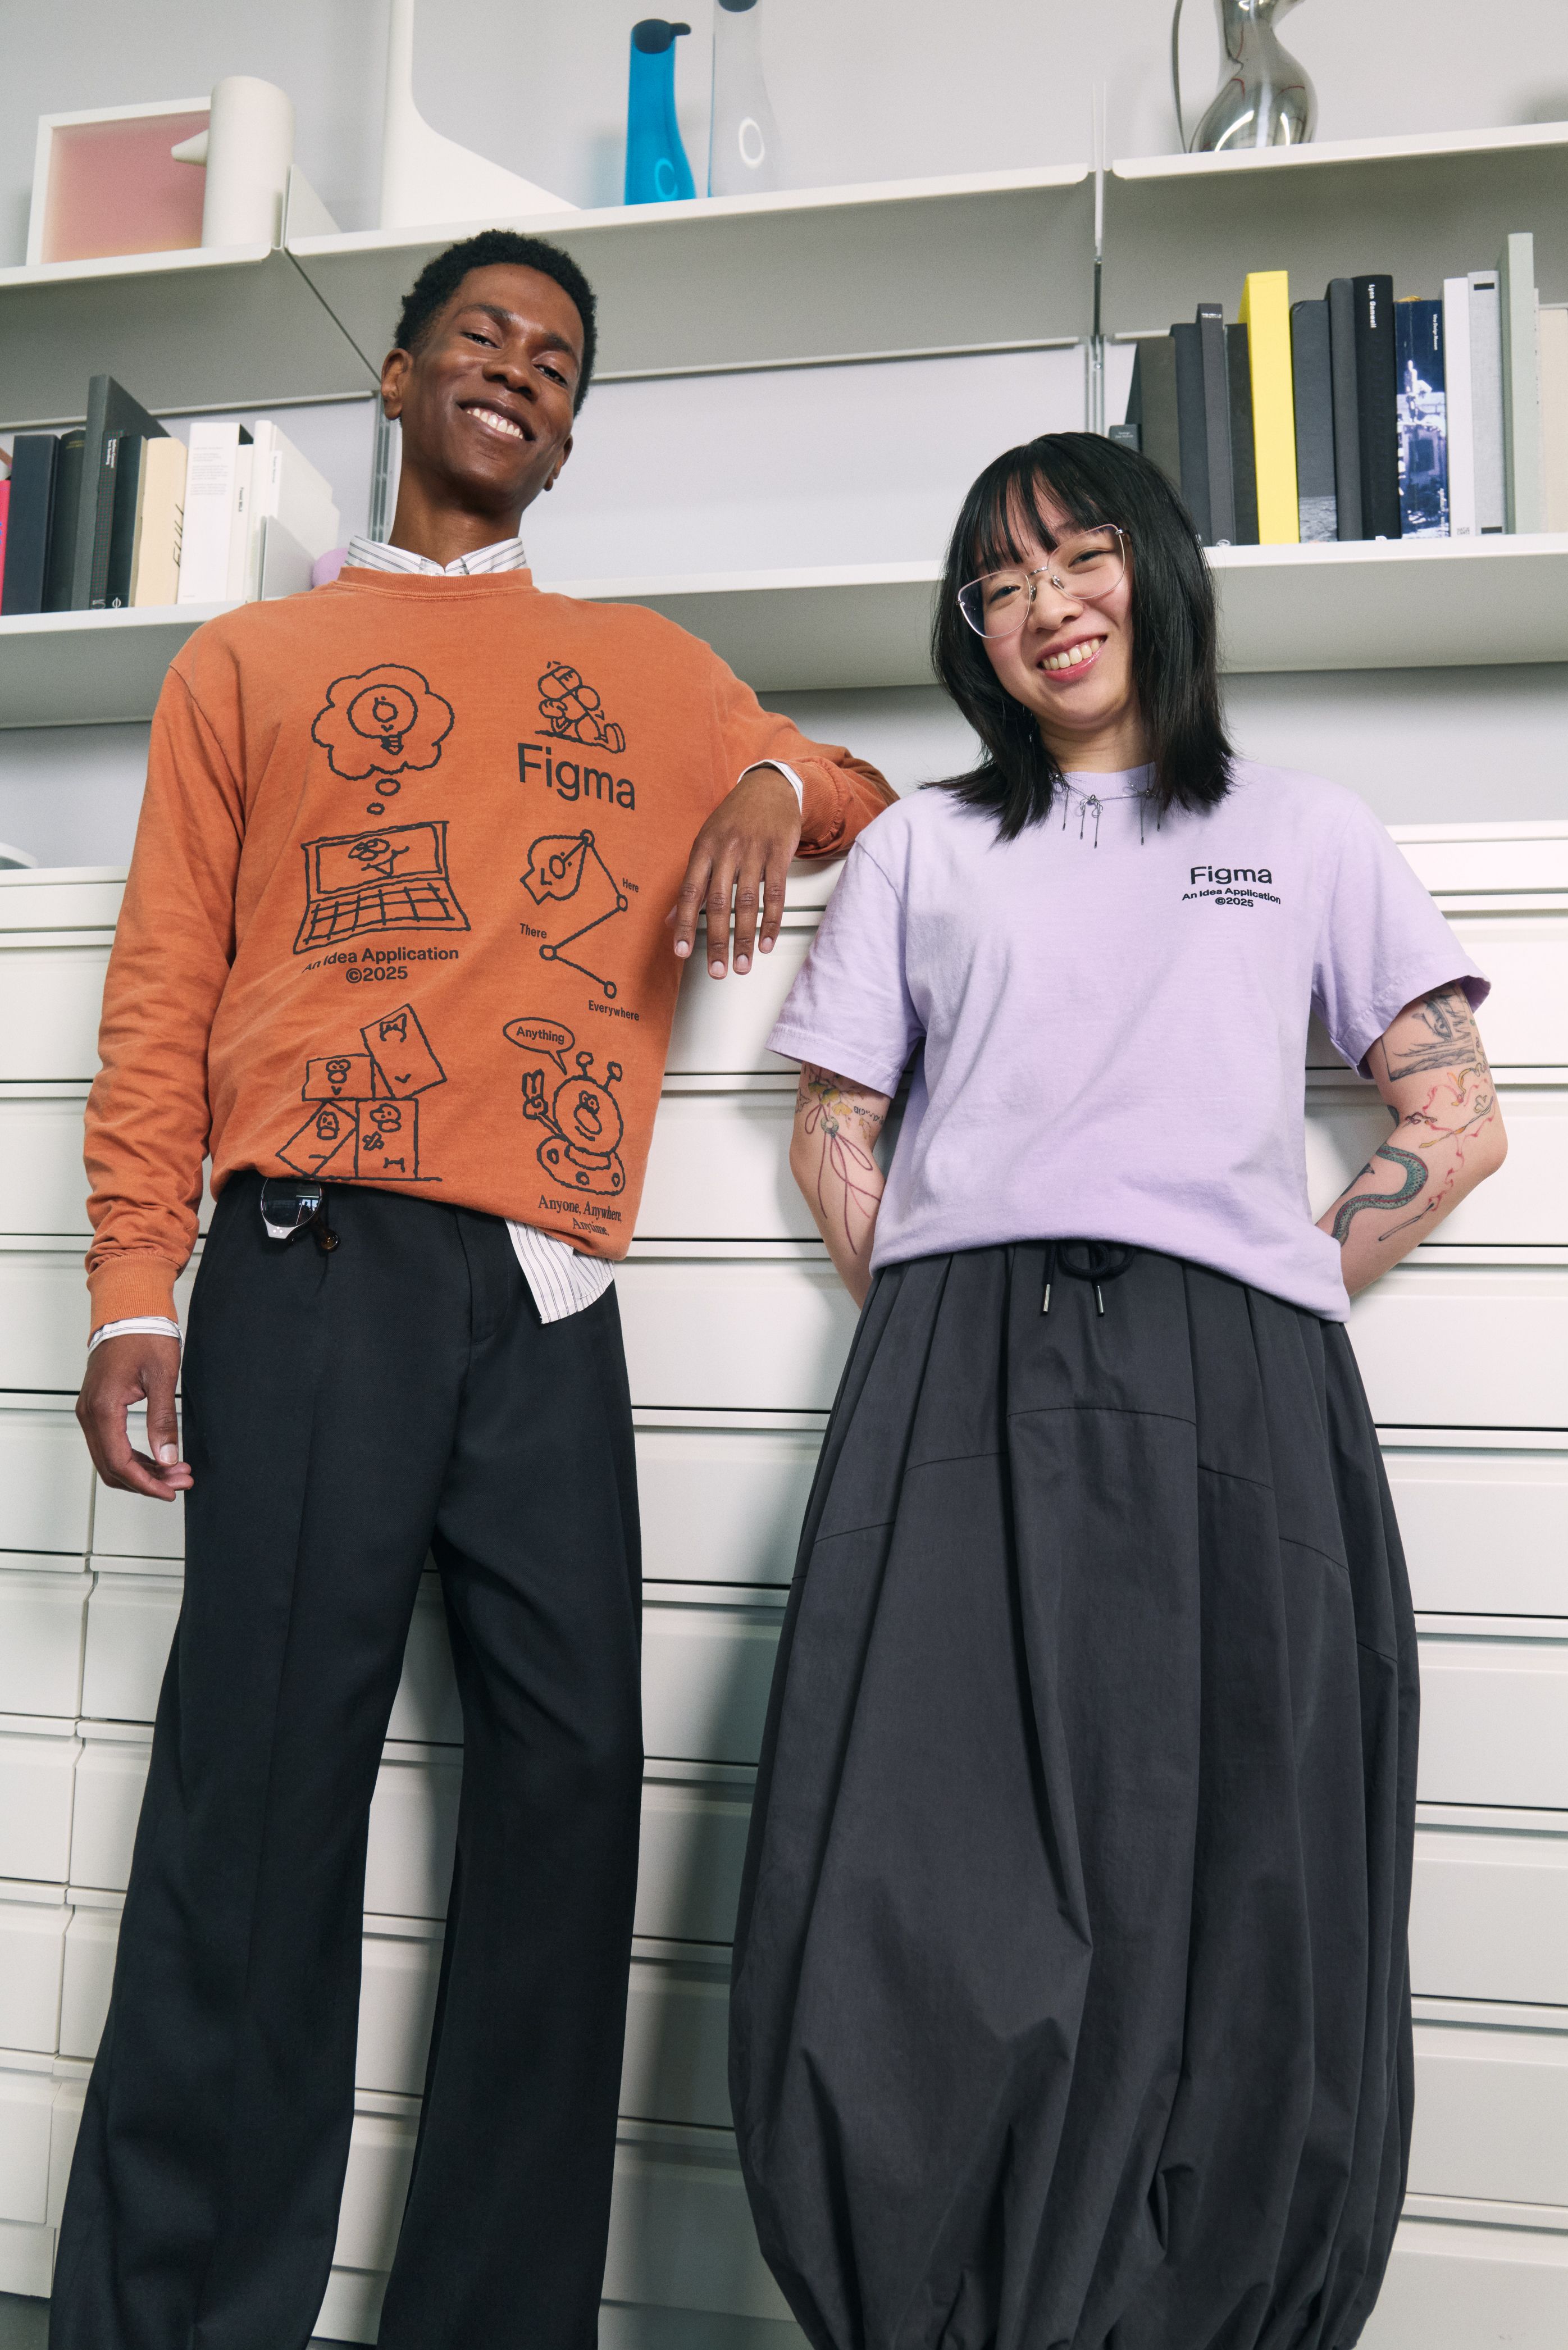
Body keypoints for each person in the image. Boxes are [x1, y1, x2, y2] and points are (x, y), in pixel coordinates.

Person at [57, 227, 892, 2350]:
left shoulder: (659, 669)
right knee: (258, 1807)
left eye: (558, 359)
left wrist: (780, 780)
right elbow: (161, 996)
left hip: (544, 1292)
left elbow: (866, 794)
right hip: (307, 1252)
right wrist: (131, 1290)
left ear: (571, 432)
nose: (518, 370)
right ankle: (179, 2323)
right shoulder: (241, 669)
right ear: (409, 373)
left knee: (566, 1803)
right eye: (484, 338)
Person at [729, 432, 1506, 2350]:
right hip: (960, 1365)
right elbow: (840, 1123)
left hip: (1237, 1376)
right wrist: (942, 1313)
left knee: (1236, 1854)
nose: (1043, 607)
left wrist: (1271, 1294)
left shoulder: (1307, 832)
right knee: (922, 1862)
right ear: (972, 636)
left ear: (1153, 569)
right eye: (997, 587)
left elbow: (1455, 1114)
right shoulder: (922, 843)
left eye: (1074, 558)